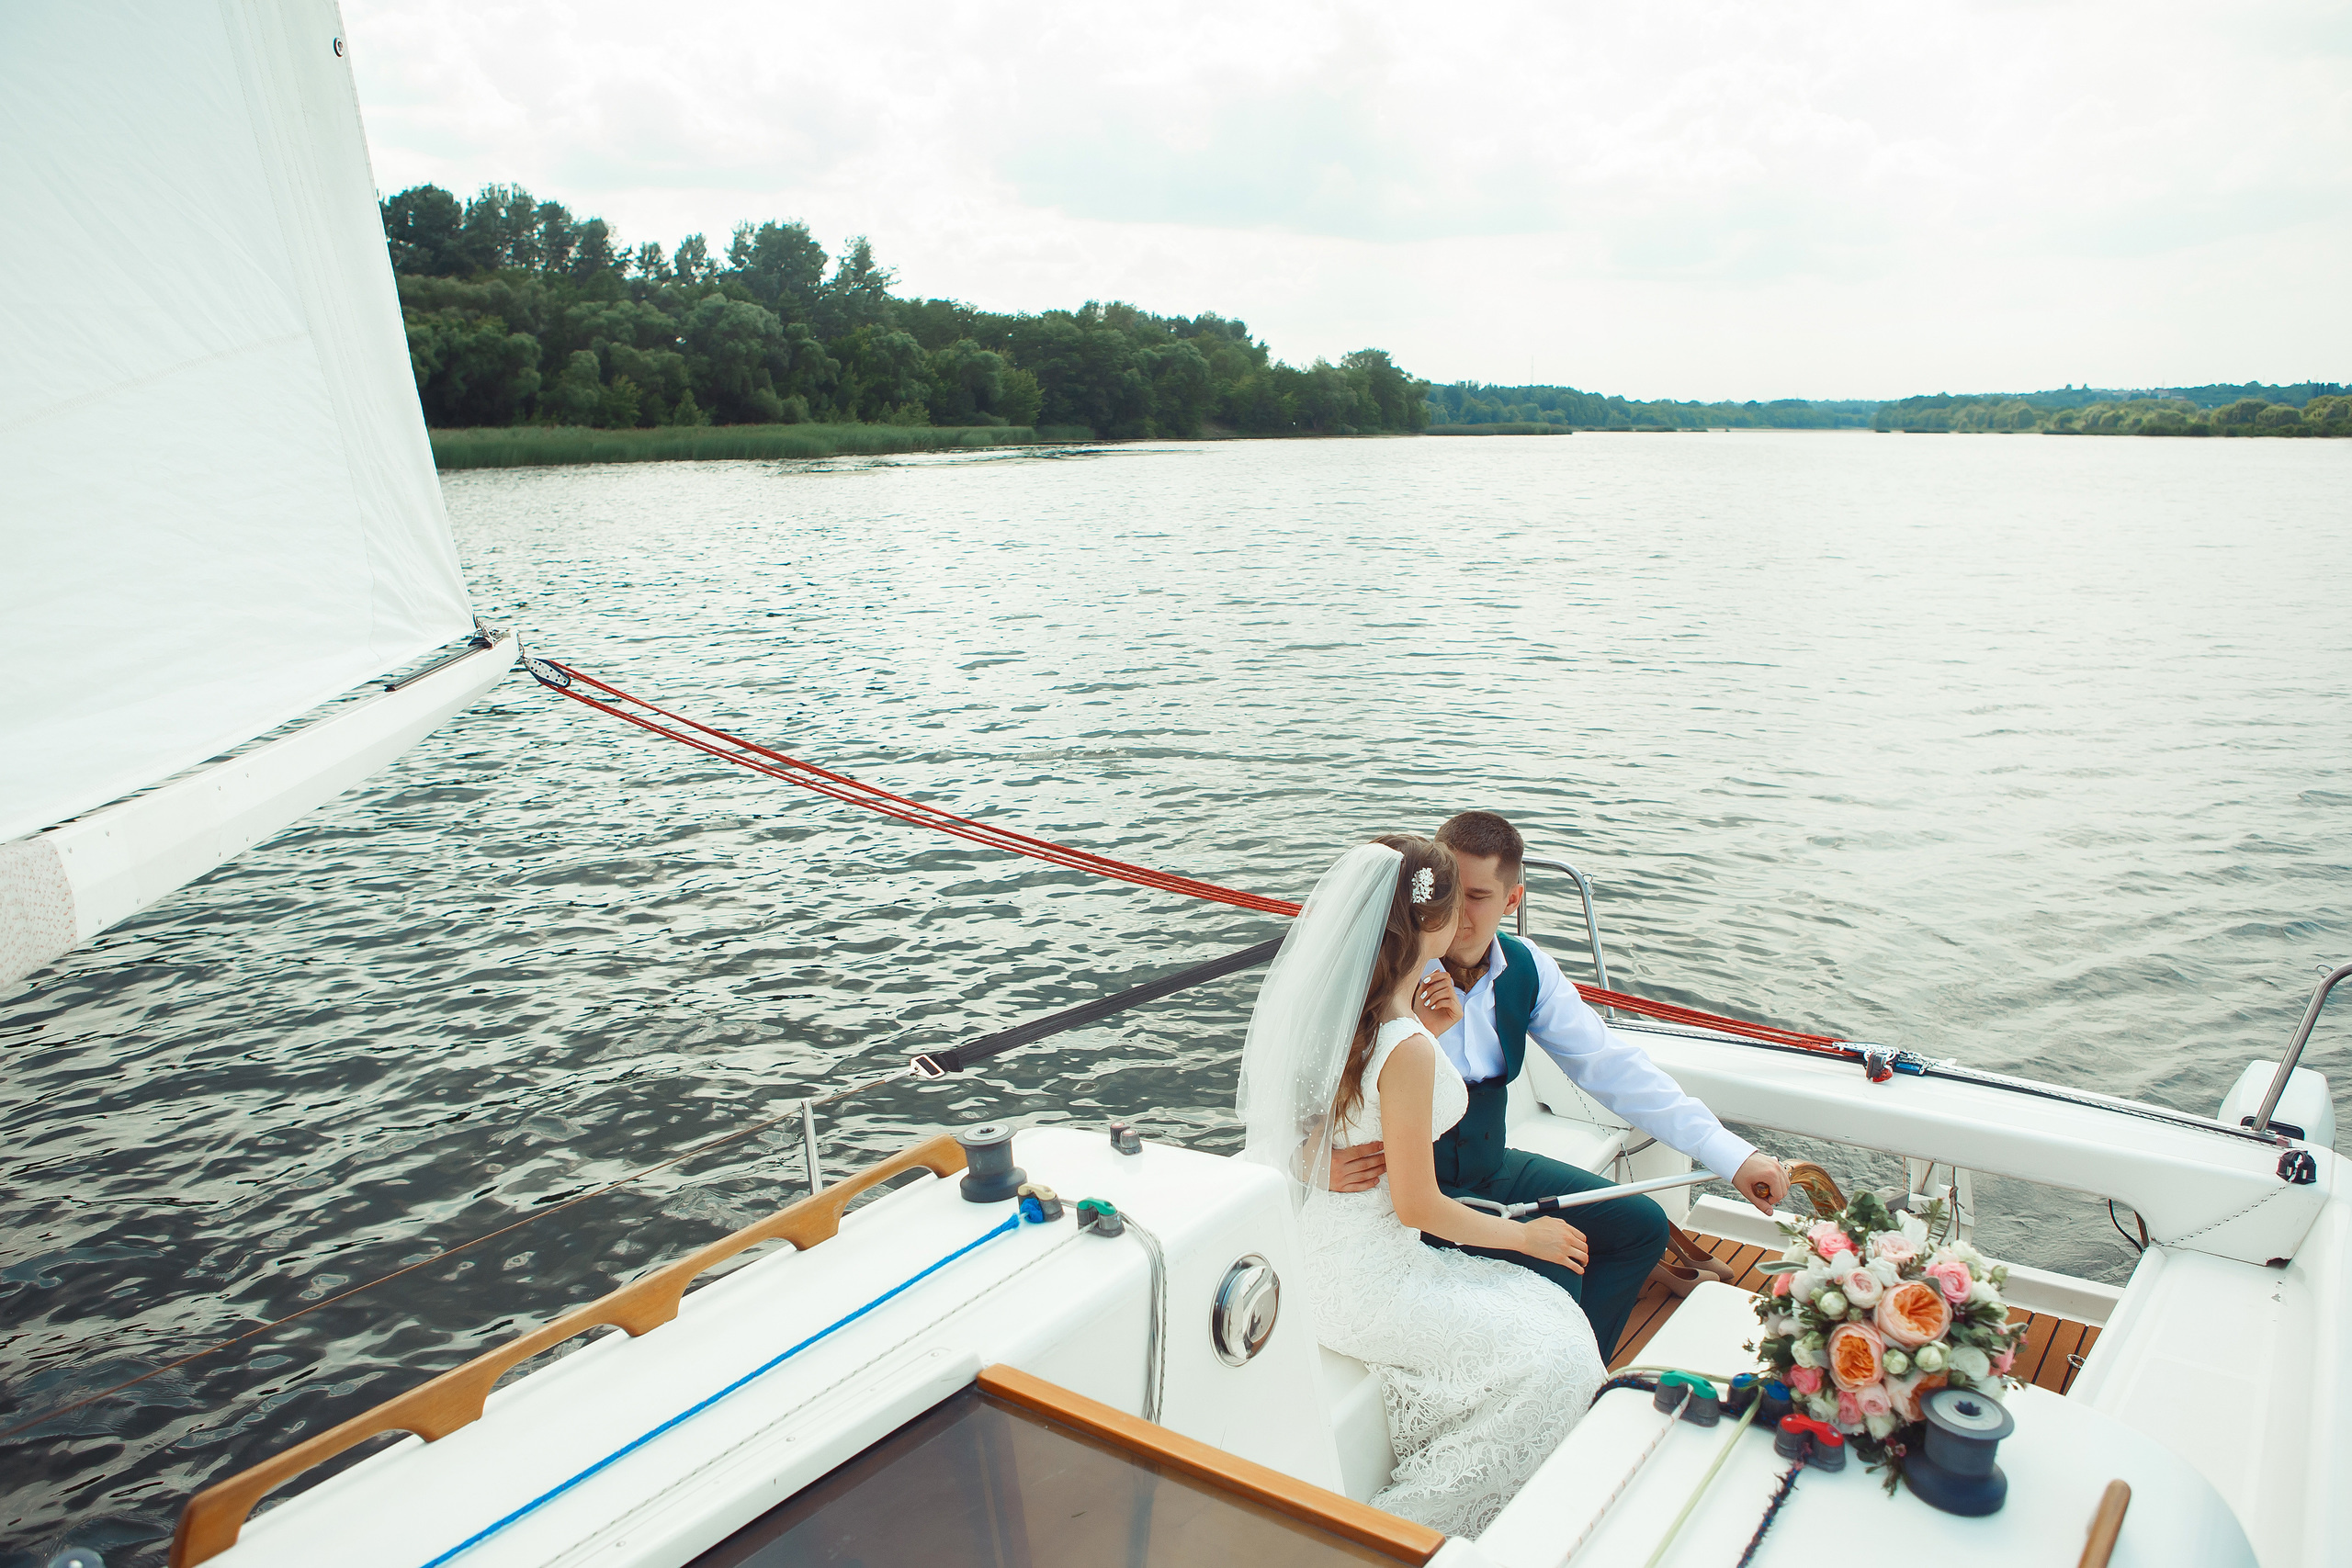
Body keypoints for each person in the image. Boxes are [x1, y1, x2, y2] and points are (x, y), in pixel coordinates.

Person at [1238, 834, 1603, 1538]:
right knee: (1556, 1352)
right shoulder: (1401, 1045)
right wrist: (1529, 1234)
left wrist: (1432, 1031)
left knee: (1551, 1318)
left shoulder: (1362, 1018)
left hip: (1328, 1257)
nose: (1464, 923)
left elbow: (1351, 1104)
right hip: (1365, 1279)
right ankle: (1410, 1527)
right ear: (1430, 924)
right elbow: (1419, 1205)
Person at [1328, 810, 1791, 1363]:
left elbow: (1611, 1067)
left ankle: (1583, 1373)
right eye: (1450, 894)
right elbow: (1310, 1085)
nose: (1457, 915)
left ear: (1513, 900)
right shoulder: (1386, 976)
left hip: (1488, 1167)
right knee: (1556, 1267)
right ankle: (1565, 1373)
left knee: (1641, 1226)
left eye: (1477, 896)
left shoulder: (1528, 970)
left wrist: (1733, 1157)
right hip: (1408, 1192)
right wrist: (1309, 1154)